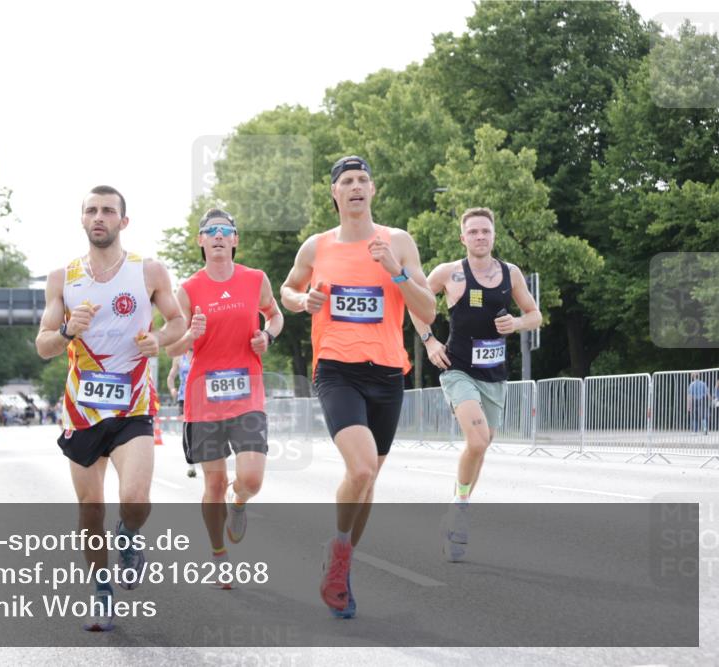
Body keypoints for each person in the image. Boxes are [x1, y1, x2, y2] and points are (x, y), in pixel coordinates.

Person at [281, 156, 436, 618]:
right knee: (363, 469)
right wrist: (301, 299)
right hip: (336, 370)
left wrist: (396, 270)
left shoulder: (398, 241)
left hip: (388, 371)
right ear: (334, 193)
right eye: (346, 181)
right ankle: (341, 551)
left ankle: (340, 564)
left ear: (373, 190)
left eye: (362, 180)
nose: (354, 187)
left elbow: (426, 310)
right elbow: (286, 291)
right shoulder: (316, 247)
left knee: (369, 484)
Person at [35, 185, 186, 631]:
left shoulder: (150, 271)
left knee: (135, 499)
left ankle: (130, 534)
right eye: (91, 210)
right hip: (82, 411)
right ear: (82, 220)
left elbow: (176, 322)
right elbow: (43, 346)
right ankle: (102, 592)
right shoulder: (63, 277)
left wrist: (158, 339)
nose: (99, 217)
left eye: (108, 211)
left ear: (124, 221)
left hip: (133, 406)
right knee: (90, 509)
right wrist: (66, 331)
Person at [410, 206, 542, 562]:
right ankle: (460, 511)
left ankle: (458, 506)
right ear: (463, 238)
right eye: (474, 232)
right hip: (458, 369)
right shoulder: (449, 273)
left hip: (495, 375)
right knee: (478, 439)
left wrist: (516, 324)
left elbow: (535, 315)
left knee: (482, 447)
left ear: (493, 235)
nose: (480, 237)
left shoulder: (511, 274)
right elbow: (414, 300)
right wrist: (430, 341)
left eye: (486, 231)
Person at [165, 208, 283, 587]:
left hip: (247, 394)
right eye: (210, 231)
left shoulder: (255, 280)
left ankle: (240, 503)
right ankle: (218, 553)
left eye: (225, 231)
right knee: (213, 484)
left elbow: (275, 316)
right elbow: (171, 348)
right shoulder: (188, 290)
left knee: (250, 478)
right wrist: (190, 335)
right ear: (201, 241)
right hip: (204, 400)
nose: (217, 236)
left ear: (235, 240)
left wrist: (268, 337)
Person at [167, 350, 197, 478]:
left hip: (202, 396)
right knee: (187, 428)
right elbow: (171, 376)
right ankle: (191, 462)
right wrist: (172, 388)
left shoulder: (202, 351)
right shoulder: (179, 356)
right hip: (184, 397)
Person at [688, 371, 710, 436]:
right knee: (703, 415)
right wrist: (710, 401)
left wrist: (689, 405)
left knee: (695, 416)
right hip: (702, 400)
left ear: (693, 377)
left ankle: (695, 431)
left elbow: (689, 396)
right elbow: (708, 394)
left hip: (695, 401)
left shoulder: (691, 385)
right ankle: (705, 429)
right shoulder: (703, 383)